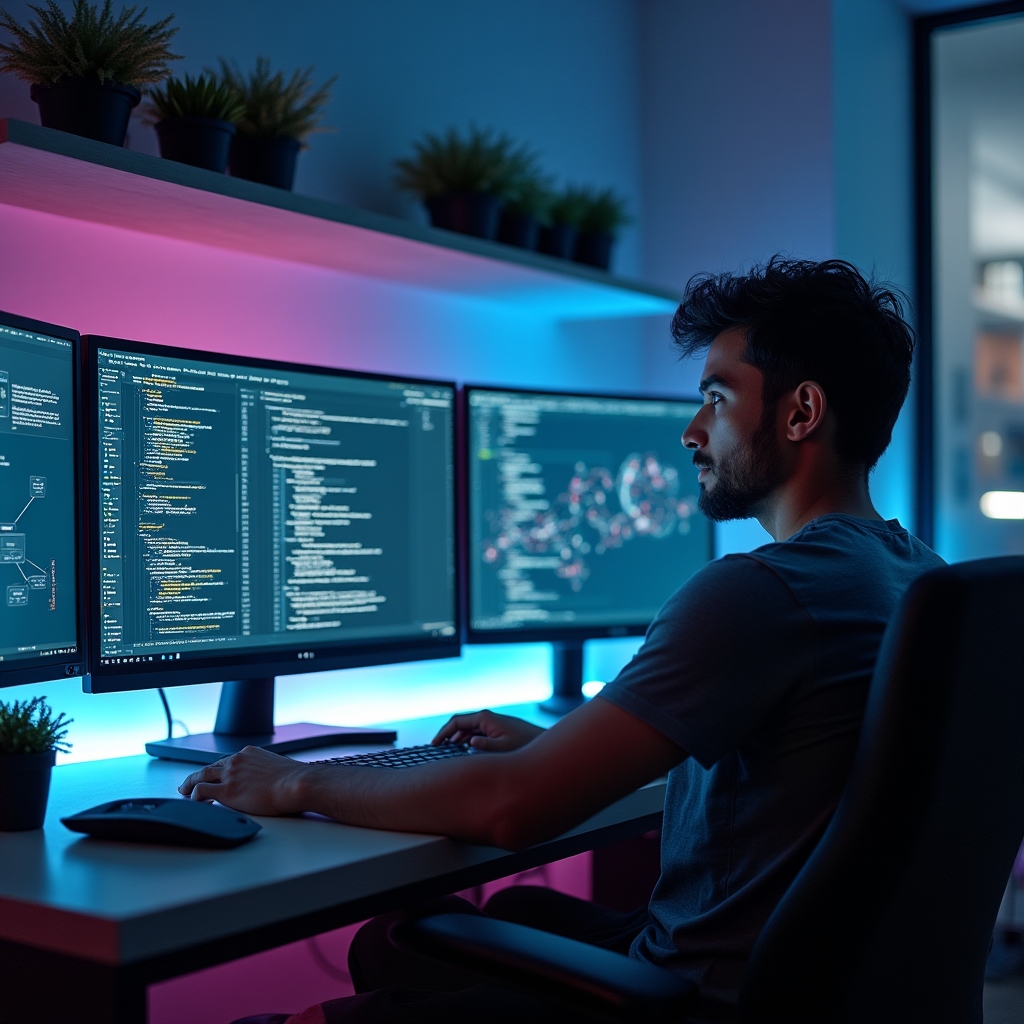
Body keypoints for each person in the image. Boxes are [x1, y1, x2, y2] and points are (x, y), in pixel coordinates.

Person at [182, 258, 945, 1024]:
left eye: (717, 398)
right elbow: (789, 771)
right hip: (809, 982)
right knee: (423, 936)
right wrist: (564, 748)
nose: (691, 432)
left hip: (699, 997)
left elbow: (512, 810)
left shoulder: (762, 591)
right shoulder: (916, 576)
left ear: (801, 412)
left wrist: (296, 784)